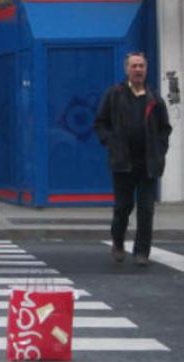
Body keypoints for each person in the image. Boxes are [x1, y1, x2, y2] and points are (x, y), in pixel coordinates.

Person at [93, 52, 172, 267]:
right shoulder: (115, 94)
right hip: (123, 163)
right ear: (126, 69)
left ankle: (141, 252)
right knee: (123, 208)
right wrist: (111, 142)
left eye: (142, 66)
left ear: (146, 70)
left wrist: (160, 149)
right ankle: (118, 241)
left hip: (148, 164)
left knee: (146, 210)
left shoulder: (154, 98)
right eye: (134, 66)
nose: (138, 70)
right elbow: (100, 123)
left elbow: (165, 128)